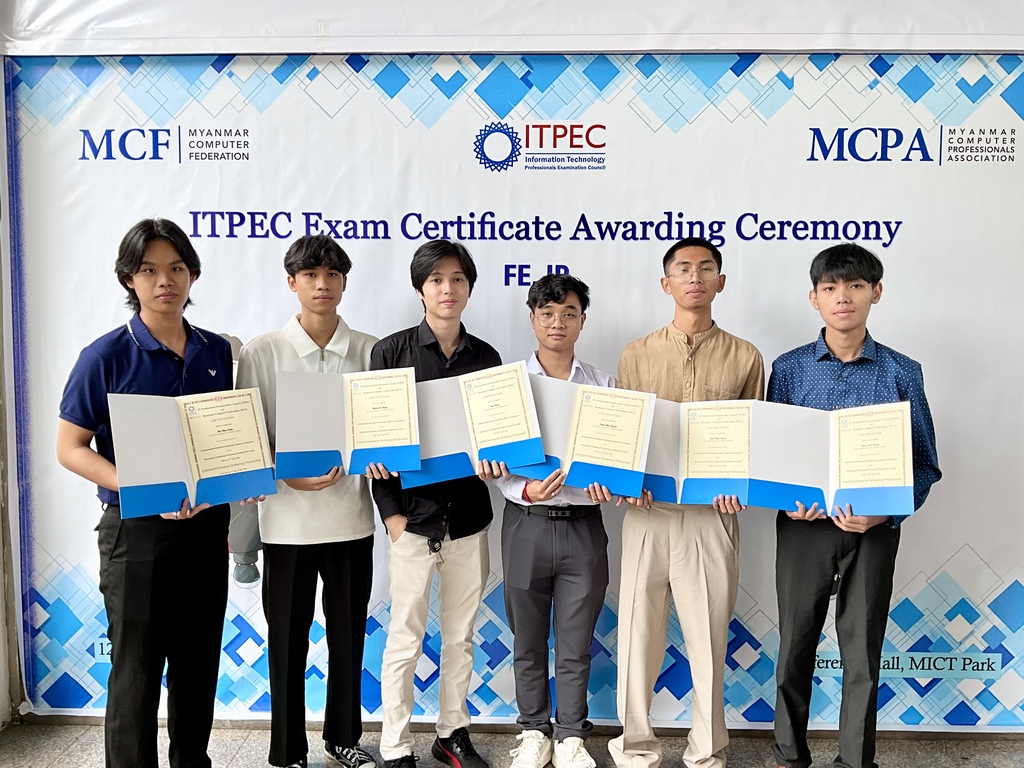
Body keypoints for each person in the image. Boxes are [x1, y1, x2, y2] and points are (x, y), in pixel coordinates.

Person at [56, 218, 236, 768]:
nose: (165, 281)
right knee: (135, 670)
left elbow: (220, 438)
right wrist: (138, 484)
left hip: (206, 529)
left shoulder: (216, 351)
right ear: (129, 279)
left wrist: (241, 476)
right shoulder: (104, 356)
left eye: (177, 268)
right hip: (136, 533)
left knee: (198, 665)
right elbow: (70, 447)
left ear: (192, 275)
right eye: (150, 270)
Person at [767, 243, 940, 768]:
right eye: (831, 287)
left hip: (874, 529)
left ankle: (855, 761)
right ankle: (789, 756)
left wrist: (885, 514)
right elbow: (772, 456)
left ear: (875, 293)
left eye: (856, 286)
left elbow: (924, 463)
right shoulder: (790, 368)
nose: (843, 297)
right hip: (804, 529)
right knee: (794, 646)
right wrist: (788, 502)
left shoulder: (902, 371)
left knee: (862, 651)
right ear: (814, 298)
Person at [610, 237, 764, 768]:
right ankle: (635, 748)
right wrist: (626, 479)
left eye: (705, 268)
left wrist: (739, 485)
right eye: (683, 269)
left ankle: (707, 752)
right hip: (647, 513)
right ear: (666, 283)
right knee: (638, 636)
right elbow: (625, 436)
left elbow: (751, 440)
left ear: (720, 281)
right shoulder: (635, 354)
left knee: (708, 641)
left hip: (711, 517)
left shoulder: (746, 356)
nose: (694, 277)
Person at [235, 235, 379, 768]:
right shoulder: (261, 351)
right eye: (310, 275)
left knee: (348, 639)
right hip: (285, 524)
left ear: (344, 282)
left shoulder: (371, 350)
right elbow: (246, 438)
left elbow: (383, 432)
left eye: (332, 275)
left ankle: (344, 738)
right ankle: (286, 750)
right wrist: (285, 473)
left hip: (350, 520)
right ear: (291, 282)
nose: (322, 285)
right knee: (287, 642)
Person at [367, 240, 501, 768]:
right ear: (420, 289)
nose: (448, 289)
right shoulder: (390, 352)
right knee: (405, 638)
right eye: (437, 280)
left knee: (460, 637)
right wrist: (392, 517)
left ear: (469, 287)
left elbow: (495, 438)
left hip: (469, 520)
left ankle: (452, 734)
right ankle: (395, 744)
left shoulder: (487, 358)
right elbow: (376, 447)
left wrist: (499, 460)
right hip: (413, 522)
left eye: (458, 279)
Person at [487, 274, 615, 768]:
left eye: (568, 313)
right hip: (526, 523)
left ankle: (570, 737)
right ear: (533, 319)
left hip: (584, 527)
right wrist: (524, 488)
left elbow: (616, 460)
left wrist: (611, 484)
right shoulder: (508, 386)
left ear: (583, 320)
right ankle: (533, 731)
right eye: (547, 314)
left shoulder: (605, 386)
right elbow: (493, 464)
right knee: (527, 638)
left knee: (576, 642)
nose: (557, 322)